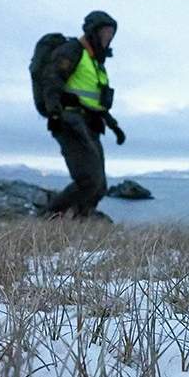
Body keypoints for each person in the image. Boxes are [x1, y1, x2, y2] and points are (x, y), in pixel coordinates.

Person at [40, 11, 126, 220]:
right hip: (69, 121)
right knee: (88, 180)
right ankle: (47, 220)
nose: (108, 37)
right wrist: (54, 112)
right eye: (105, 32)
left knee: (99, 186)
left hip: (91, 124)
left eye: (111, 33)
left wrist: (114, 126)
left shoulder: (96, 62)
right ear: (93, 31)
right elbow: (52, 80)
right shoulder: (73, 51)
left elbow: (95, 101)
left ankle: (80, 224)